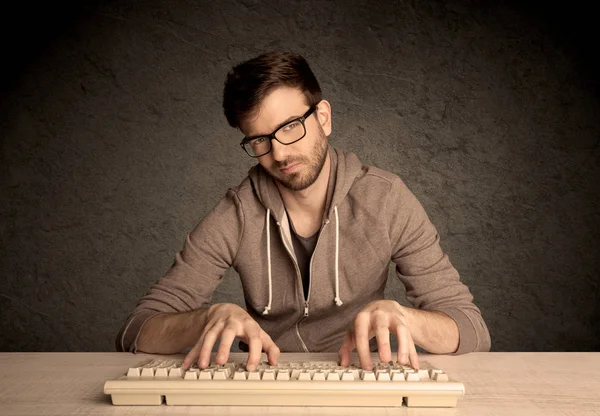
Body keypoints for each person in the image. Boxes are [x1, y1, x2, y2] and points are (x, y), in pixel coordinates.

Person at [116, 51, 491, 372]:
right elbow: (135, 330)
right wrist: (205, 318)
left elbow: (471, 328)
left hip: (360, 382)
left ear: (323, 117)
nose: (279, 153)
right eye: (260, 140)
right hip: (266, 384)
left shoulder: (386, 199)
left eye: (291, 127)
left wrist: (406, 318)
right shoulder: (237, 212)